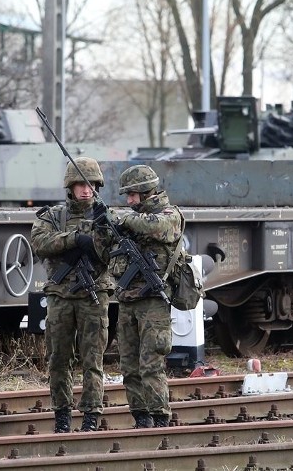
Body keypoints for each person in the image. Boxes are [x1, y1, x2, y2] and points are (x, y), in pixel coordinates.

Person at [30, 156, 114, 433]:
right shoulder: (53, 216)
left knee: (93, 360)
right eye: (80, 184)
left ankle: (91, 415)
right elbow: (40, 242)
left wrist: (99, 238)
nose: (86, 190)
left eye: (90, 184)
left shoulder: (106, 218)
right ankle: (62, 415)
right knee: (58, 359)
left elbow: (113, 251)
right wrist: (75, 239)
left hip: (94, 296)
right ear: (70, 187)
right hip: (60, 296)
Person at [111, 164, 183, 428]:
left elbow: (160, 227)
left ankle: (160, 418)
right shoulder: (132, 219)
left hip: (153, 301)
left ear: (145, 192)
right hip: (128, 300)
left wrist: (122, 220)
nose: (129, 201)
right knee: (129, 367)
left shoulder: (168, 214)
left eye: (132, 195)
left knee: (150, 365)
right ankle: (141, 417)